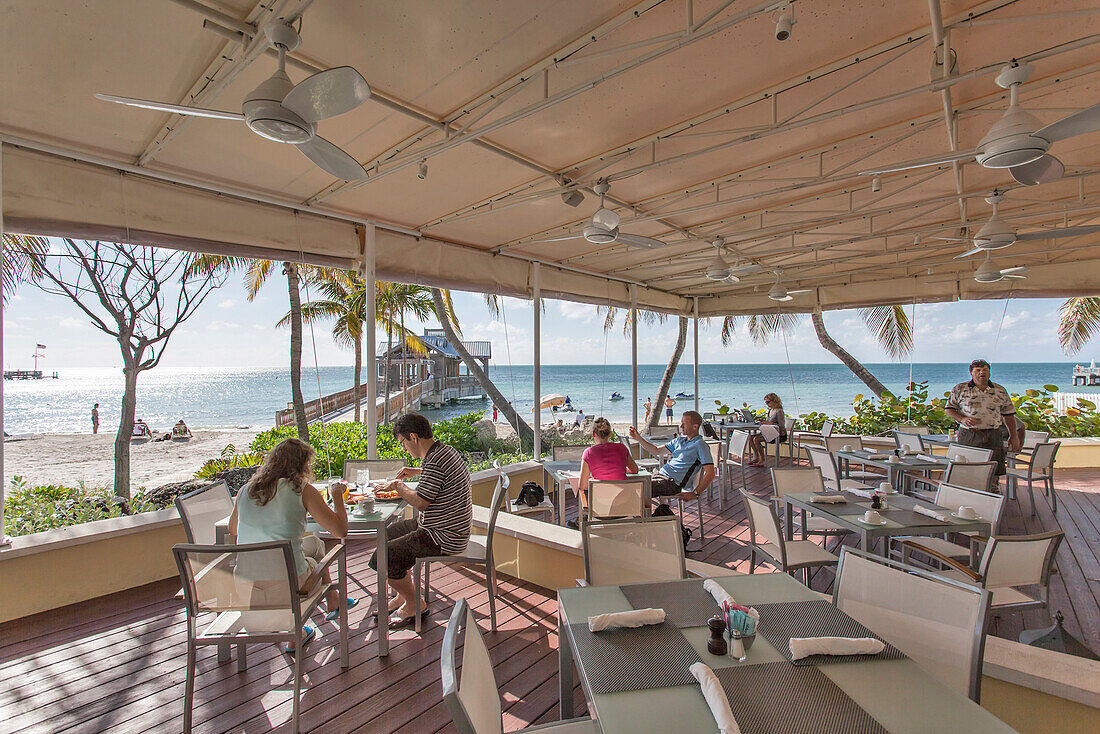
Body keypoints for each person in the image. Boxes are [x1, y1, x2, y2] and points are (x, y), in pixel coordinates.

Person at [229, 437, 354, 651]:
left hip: (248, 588)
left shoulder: (245, 491)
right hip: (291, 588)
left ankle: (331, 601)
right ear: (302, 465)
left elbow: (233, 529)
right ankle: (295, 631)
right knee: (316, 558)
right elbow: (340, 531)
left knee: (314, 543)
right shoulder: (302, 491)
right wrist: (337, 497)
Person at [370, 412, 472, 629]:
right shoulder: (443, 452)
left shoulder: (435, 463)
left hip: (442, 537)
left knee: (382, 557)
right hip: (445, 527)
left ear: (413, 437)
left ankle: (414, 603)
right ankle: (403, 595)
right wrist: (417, 472)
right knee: (386, 535)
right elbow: (439, 476)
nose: (404, 448)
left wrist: (398, 485)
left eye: (403, 443)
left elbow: (421, 503)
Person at [945, 359, 1020, 485]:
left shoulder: (1000, 390)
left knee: (993, 470)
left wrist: (1014, 436)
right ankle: (969, 494)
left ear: (989, 372)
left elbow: (1008, 414)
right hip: (969, 435)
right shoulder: (960, 389)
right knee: (967, 469)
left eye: (985, 370)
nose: (981, 373)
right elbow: (949, 410)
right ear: (971, 373)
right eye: (978, 370)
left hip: (993, 435)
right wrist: (962, 419)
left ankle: (992, 494)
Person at [628, 411, 715, 503]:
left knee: (635, 488)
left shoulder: (700, 445)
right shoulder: (679, 441)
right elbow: (656, 450)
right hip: (659, 476)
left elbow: (710, 473)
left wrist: (695, 493)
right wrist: (638, 438)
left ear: (695, 426)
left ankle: (639, 515)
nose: (681, 427)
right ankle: (640, 515)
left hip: (671, 484)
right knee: (628, 482)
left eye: (684, 424)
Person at [579, 417, 638, 493]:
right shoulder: (622, 448)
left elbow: (583, 486)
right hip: (623, 500)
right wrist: (622, 469)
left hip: (600, 501)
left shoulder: (588, 453)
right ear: (610, 434)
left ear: (594, 434)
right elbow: (635, 470)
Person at [748, 393, 786, 466]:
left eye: (768, 402)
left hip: (778, 434)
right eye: (766, 402)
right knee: (750, 437)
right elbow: (769, 422)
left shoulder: (779, 411)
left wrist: (770, 423)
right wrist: (763, 422)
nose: (767, 404)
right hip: (769, 432)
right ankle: (757, 457)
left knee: (756, 439)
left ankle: (762, 460)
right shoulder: (770, 410)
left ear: (774, 401)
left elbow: (781, 426)